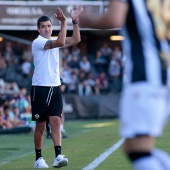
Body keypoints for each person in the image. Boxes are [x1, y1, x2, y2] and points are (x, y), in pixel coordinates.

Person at [79, 1, 170, 170]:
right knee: (133, 148)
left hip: (146, 75)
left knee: (139, 150)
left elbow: (113, 19)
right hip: (163, 73)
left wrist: (87, 20)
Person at [30, 5, 83, 169]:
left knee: (56, 122)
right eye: (43, 27)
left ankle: (58, 156)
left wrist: (74, 21)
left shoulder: (53, 41)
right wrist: (64, 21)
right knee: (41, 125)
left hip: (55, 87)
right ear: (38, 29)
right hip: (40, 87)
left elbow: (76, 40)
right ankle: (38, 159)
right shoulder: (38, 42)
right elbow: (61, 41)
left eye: (49, 26)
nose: (46, 29)